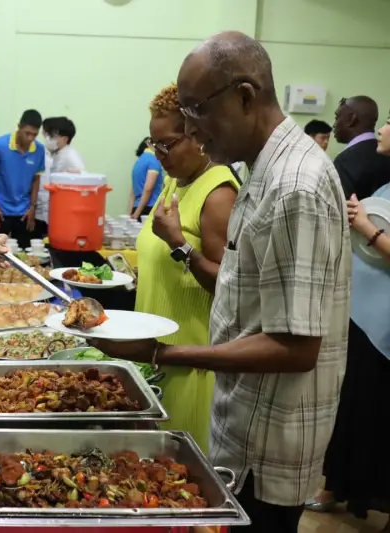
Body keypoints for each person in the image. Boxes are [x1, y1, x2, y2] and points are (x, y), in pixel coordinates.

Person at [95, 32, 350, 533]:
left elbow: (295, 347)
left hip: (269, 445)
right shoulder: (258, 170)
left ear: (245, 96)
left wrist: (158, 354)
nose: (192, 130)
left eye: (196, 112)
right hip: (240, 425)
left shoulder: (295, 184)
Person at [134, 82, 239, 453]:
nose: (159, 153)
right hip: (156, 355)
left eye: (169, 143)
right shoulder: (174, 180)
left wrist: (178, 245)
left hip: (190, 362)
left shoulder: (219, 193)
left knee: (179, 473)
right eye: (153, 143)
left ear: (198, 135)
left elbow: (230, 287)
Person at [304, 119, 390, 532]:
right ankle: (338, 485)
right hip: (361, 316)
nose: (383, 129)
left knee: (372, 411)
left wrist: (367, 229)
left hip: (383, 326)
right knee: (352, 407)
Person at [0, 109, 46, 248]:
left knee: (23, 254)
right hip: (0, 210)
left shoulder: (39, 149)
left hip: (24, 212)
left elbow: (36, 179)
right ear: (19, 127)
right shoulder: (0, 145)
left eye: (35, 135)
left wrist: (32, 208)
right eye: (27, 133)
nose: (30, 138)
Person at [332, 95, 390, 199]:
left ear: (351, 119)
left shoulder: (344, 162)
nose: (334, 125)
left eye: (337, 118)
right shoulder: (386, 153)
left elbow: (343, 210)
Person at [37, 117, 85, 237]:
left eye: (51, 136)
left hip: (65, 213)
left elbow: (82, 177)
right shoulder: (57, 154)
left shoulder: (70, 155)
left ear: (64, 139)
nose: (47, 139)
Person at [129, 134, 164, 220]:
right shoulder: (153, 160)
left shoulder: (137, 163)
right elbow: (148, 188)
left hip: (137, 207)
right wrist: (137, 213)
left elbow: (133, 191)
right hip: (149, 209)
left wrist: (131, 213)